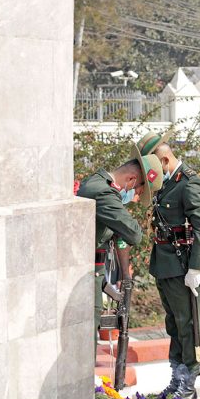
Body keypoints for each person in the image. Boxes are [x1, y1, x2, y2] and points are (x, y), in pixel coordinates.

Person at [137, 128, 200, 399]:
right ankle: (177, 377)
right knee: (173, 323)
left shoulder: (189, 183)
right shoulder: (168, 183)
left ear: (165, 161)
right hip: (165, 265)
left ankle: (189, 383)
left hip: (182, 267)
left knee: (187, 324)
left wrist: (196, 268)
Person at [76, 146, 164, 348]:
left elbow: (120, 235)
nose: (132, 195)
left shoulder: (98, 182)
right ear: (132, 179)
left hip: (94, 274)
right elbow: (134, 234)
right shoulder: (104, 193)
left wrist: (125, 273)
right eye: (136, 190)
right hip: (88, 275)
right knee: (88, 340)